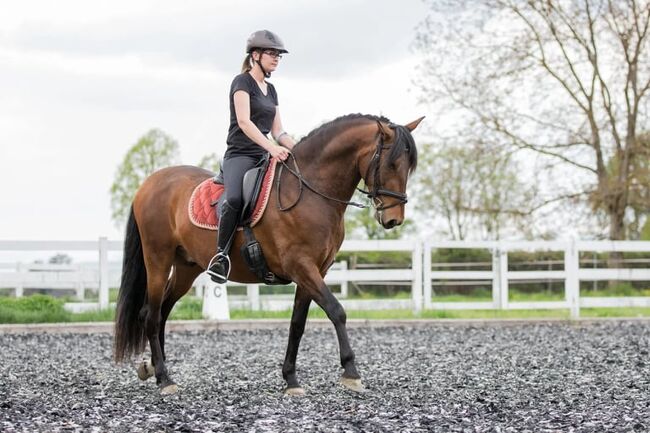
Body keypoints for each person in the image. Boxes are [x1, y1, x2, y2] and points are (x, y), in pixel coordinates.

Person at [207, 30, 296, 284]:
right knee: (234, 199)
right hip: (240, 155)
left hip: (265, 156)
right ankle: (221, 256)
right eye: (272, 53)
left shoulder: (272, 90)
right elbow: (245, 123)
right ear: (255, 56)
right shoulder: (241, 82)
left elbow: (279, 131)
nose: (276, 58)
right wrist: (272, 148)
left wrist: (296, 148)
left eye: (279, 55)